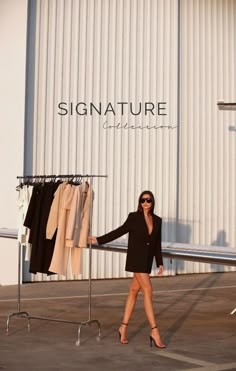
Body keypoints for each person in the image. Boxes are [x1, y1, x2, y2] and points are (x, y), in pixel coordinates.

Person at [88, 190, 166, 348]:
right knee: (148, 291)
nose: (145, 203)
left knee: (133, 291)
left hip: (147, 261)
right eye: (143, 200)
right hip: (136, 259)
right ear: (139, 202)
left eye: (148, 200)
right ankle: (154, 330)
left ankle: (122, 327)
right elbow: (119, 231)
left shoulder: (157, 220)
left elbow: (157, 242)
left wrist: (160, 262)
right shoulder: (134, 217)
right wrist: (99, 239)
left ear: (152, 203)